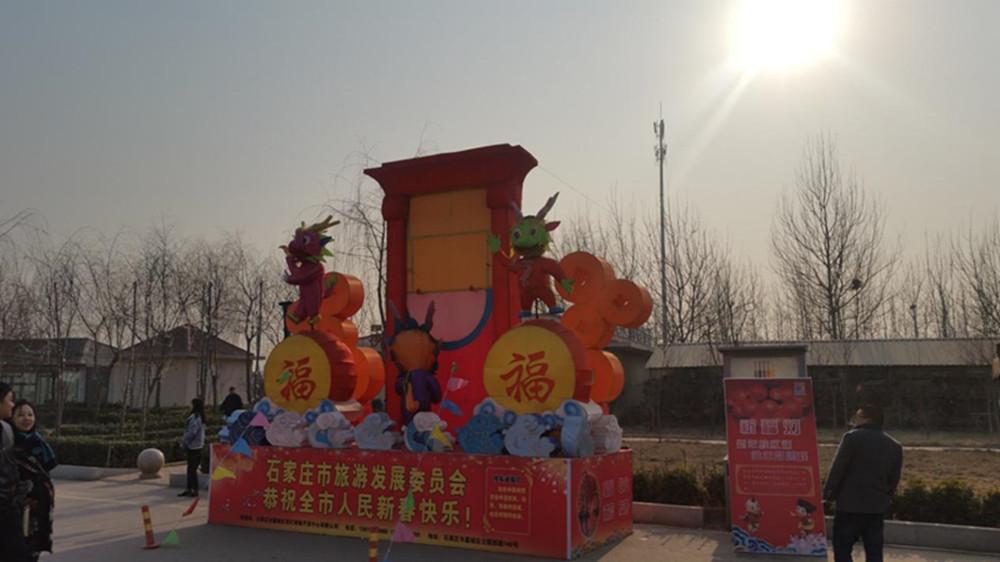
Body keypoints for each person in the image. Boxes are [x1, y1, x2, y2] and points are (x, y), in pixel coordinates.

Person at [823, 405, 903, 562]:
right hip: (876, 507)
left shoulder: (852, 438)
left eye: (857, 417)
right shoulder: (894, 445)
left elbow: (838, 470)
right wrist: (886, 499)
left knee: (843, 547)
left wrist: (828, 496)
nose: (854, 420)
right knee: (874, 549)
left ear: (867, 419)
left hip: (849, 505)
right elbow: (893, 479)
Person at [12, 400, 57, 557]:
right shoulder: (8, 443)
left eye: (30, 414)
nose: (26, 418)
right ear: (12, 418)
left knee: (33, 546)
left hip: (38, 506)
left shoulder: (39, 442)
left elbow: (47, 470)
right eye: (20, 415)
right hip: (14, 507)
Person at [0, 382, 34, 562]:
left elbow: (10, 466)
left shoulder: (7, 429)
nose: (12, 405)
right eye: (10, 400)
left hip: (10, 508)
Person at [179, 398, 205, 498]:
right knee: (191, 469)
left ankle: (194, 489)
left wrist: (184, 441)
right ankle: (189, 488)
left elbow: (192, 432)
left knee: (192, 469)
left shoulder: (195, 417)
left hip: (193, 446)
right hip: (197, 445)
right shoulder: (200, 417)